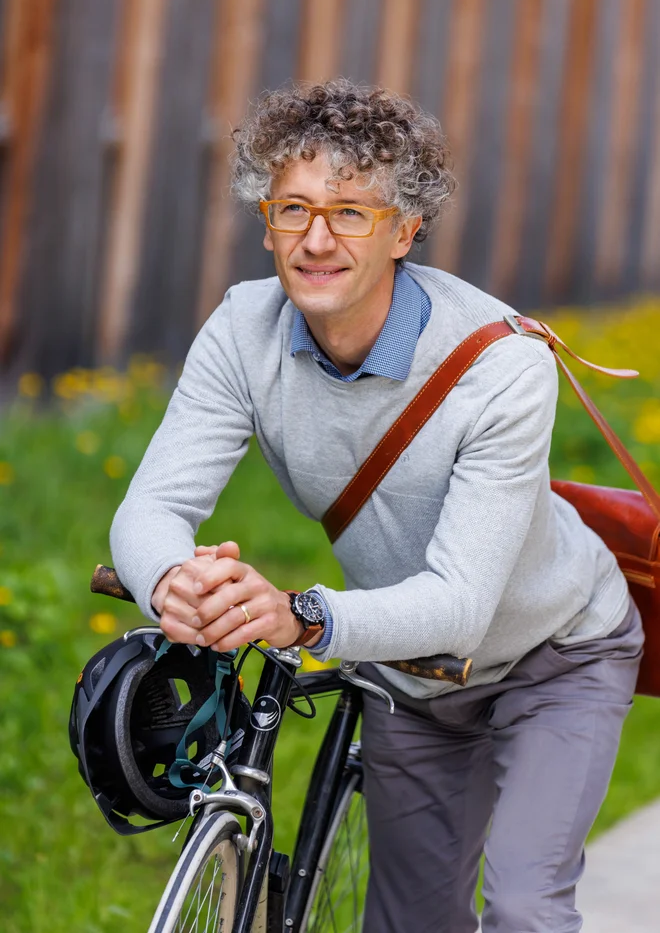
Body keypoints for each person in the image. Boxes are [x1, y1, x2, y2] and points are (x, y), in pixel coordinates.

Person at [110, 79, 643, 933]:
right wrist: (171, 579)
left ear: (405, 230)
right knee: (409, 922)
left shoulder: (499, 364)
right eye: (293, 208)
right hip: (412, 676)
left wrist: (299, 616)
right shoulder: (242, 331)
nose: (316, 239)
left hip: (555, 651)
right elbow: (151, 507)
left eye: (351, 212)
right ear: (267, 221)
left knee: (521, 904)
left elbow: (462, 604)